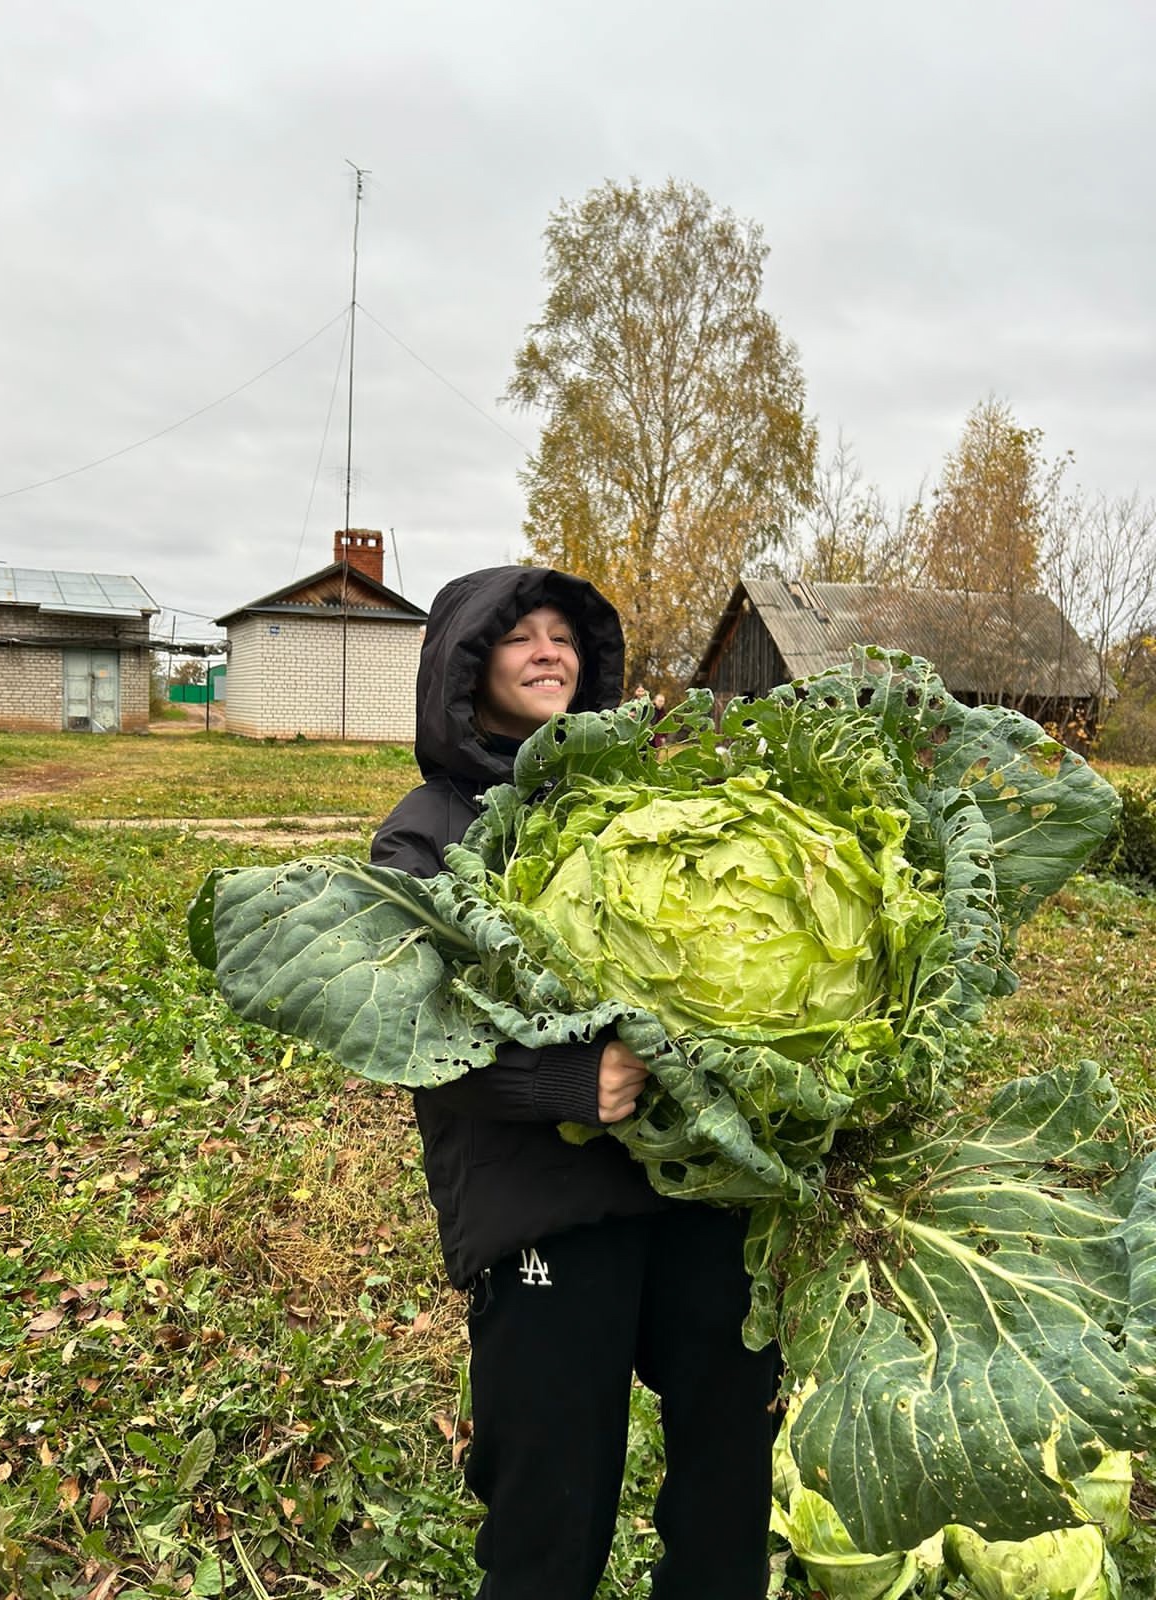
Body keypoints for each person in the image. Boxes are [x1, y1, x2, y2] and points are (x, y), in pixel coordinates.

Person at [372, 566, 781, 1600]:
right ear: (467, 670)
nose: (550, 651)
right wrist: (559, 1078)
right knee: (552, 1495)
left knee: (733, 1469)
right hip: (546, 1212)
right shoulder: (424, 831)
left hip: (700, 1184)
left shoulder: (636, 791)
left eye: (565, 636)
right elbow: (398, 1022)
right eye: (521, 639)